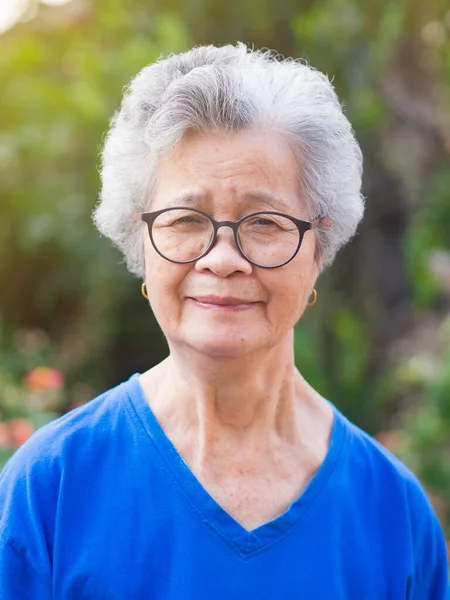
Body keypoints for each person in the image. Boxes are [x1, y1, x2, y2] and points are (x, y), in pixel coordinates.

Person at [0, 43, 448, 599]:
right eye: (187, 218)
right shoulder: (51, 488)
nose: (222, 257)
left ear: (318, 250)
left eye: (264, 222)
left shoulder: (393, 513)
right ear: (140, 242)